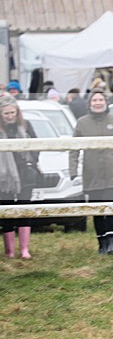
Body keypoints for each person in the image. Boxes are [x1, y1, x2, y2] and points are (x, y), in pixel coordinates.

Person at [70, 89, 113, 255]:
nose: (98, 103)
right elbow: (74, 148)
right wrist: (73, 170)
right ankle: (102, 243)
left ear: (106, 102)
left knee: (110, 206)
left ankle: (112, 242)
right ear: (90, 104)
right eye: (94, 100)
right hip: (92, 174)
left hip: (112, 173)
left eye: (100, 100)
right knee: (97, 208)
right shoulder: (82, 123)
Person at [0, 95, 38, 259]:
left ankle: (24, 249)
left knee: (24, 208)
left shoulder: (26, 126)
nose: (9, 116)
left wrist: (32, 163)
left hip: (24, 173)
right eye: (6, 113)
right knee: (6, 209)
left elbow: (37, 146)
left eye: (12, 112)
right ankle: (9, 250)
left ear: (17, 112)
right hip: (4, 175)